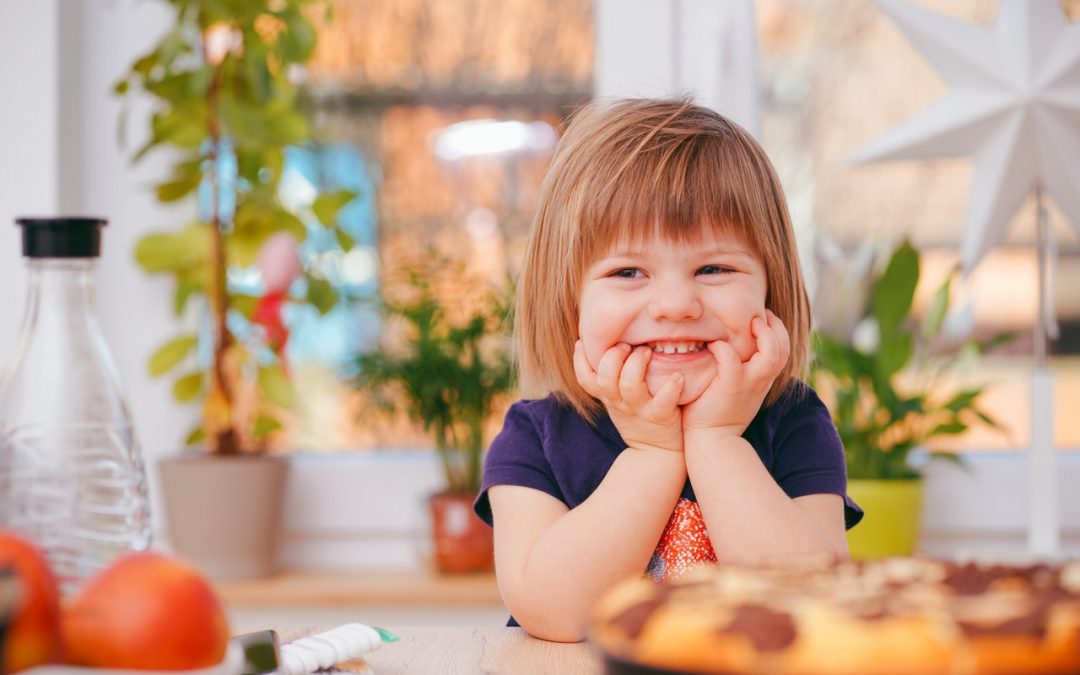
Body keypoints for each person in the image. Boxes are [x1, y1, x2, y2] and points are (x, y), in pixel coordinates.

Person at [473, 98, 862, 643]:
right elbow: (553, 613)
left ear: (771, 290)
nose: (676, 303)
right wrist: (653, 453)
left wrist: (717, 440)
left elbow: (812, 606)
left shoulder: (794, 422)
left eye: (714, 267)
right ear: (569, 302)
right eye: (628, 271)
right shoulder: (534, 437)